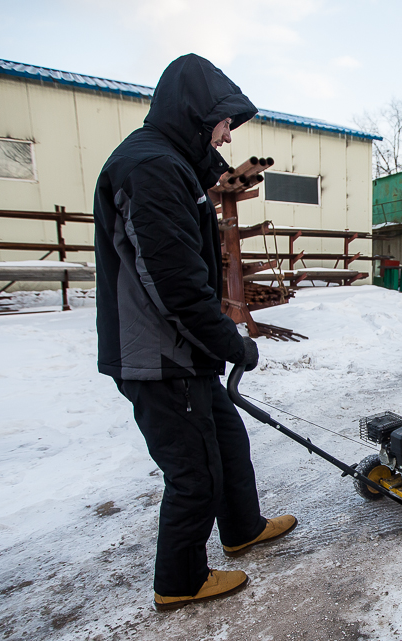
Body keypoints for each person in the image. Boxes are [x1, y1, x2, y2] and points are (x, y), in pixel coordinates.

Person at [93, 54, 296, 612]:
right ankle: (179, 579)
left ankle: (242, 528)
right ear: (196, 113)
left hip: (183, 349)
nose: (229, 136)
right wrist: (230, 341)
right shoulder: (151, 167)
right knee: (194, 471)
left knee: (227, 442)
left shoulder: (169, 163)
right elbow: (175, 282)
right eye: (224, 121)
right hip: (159, 355)